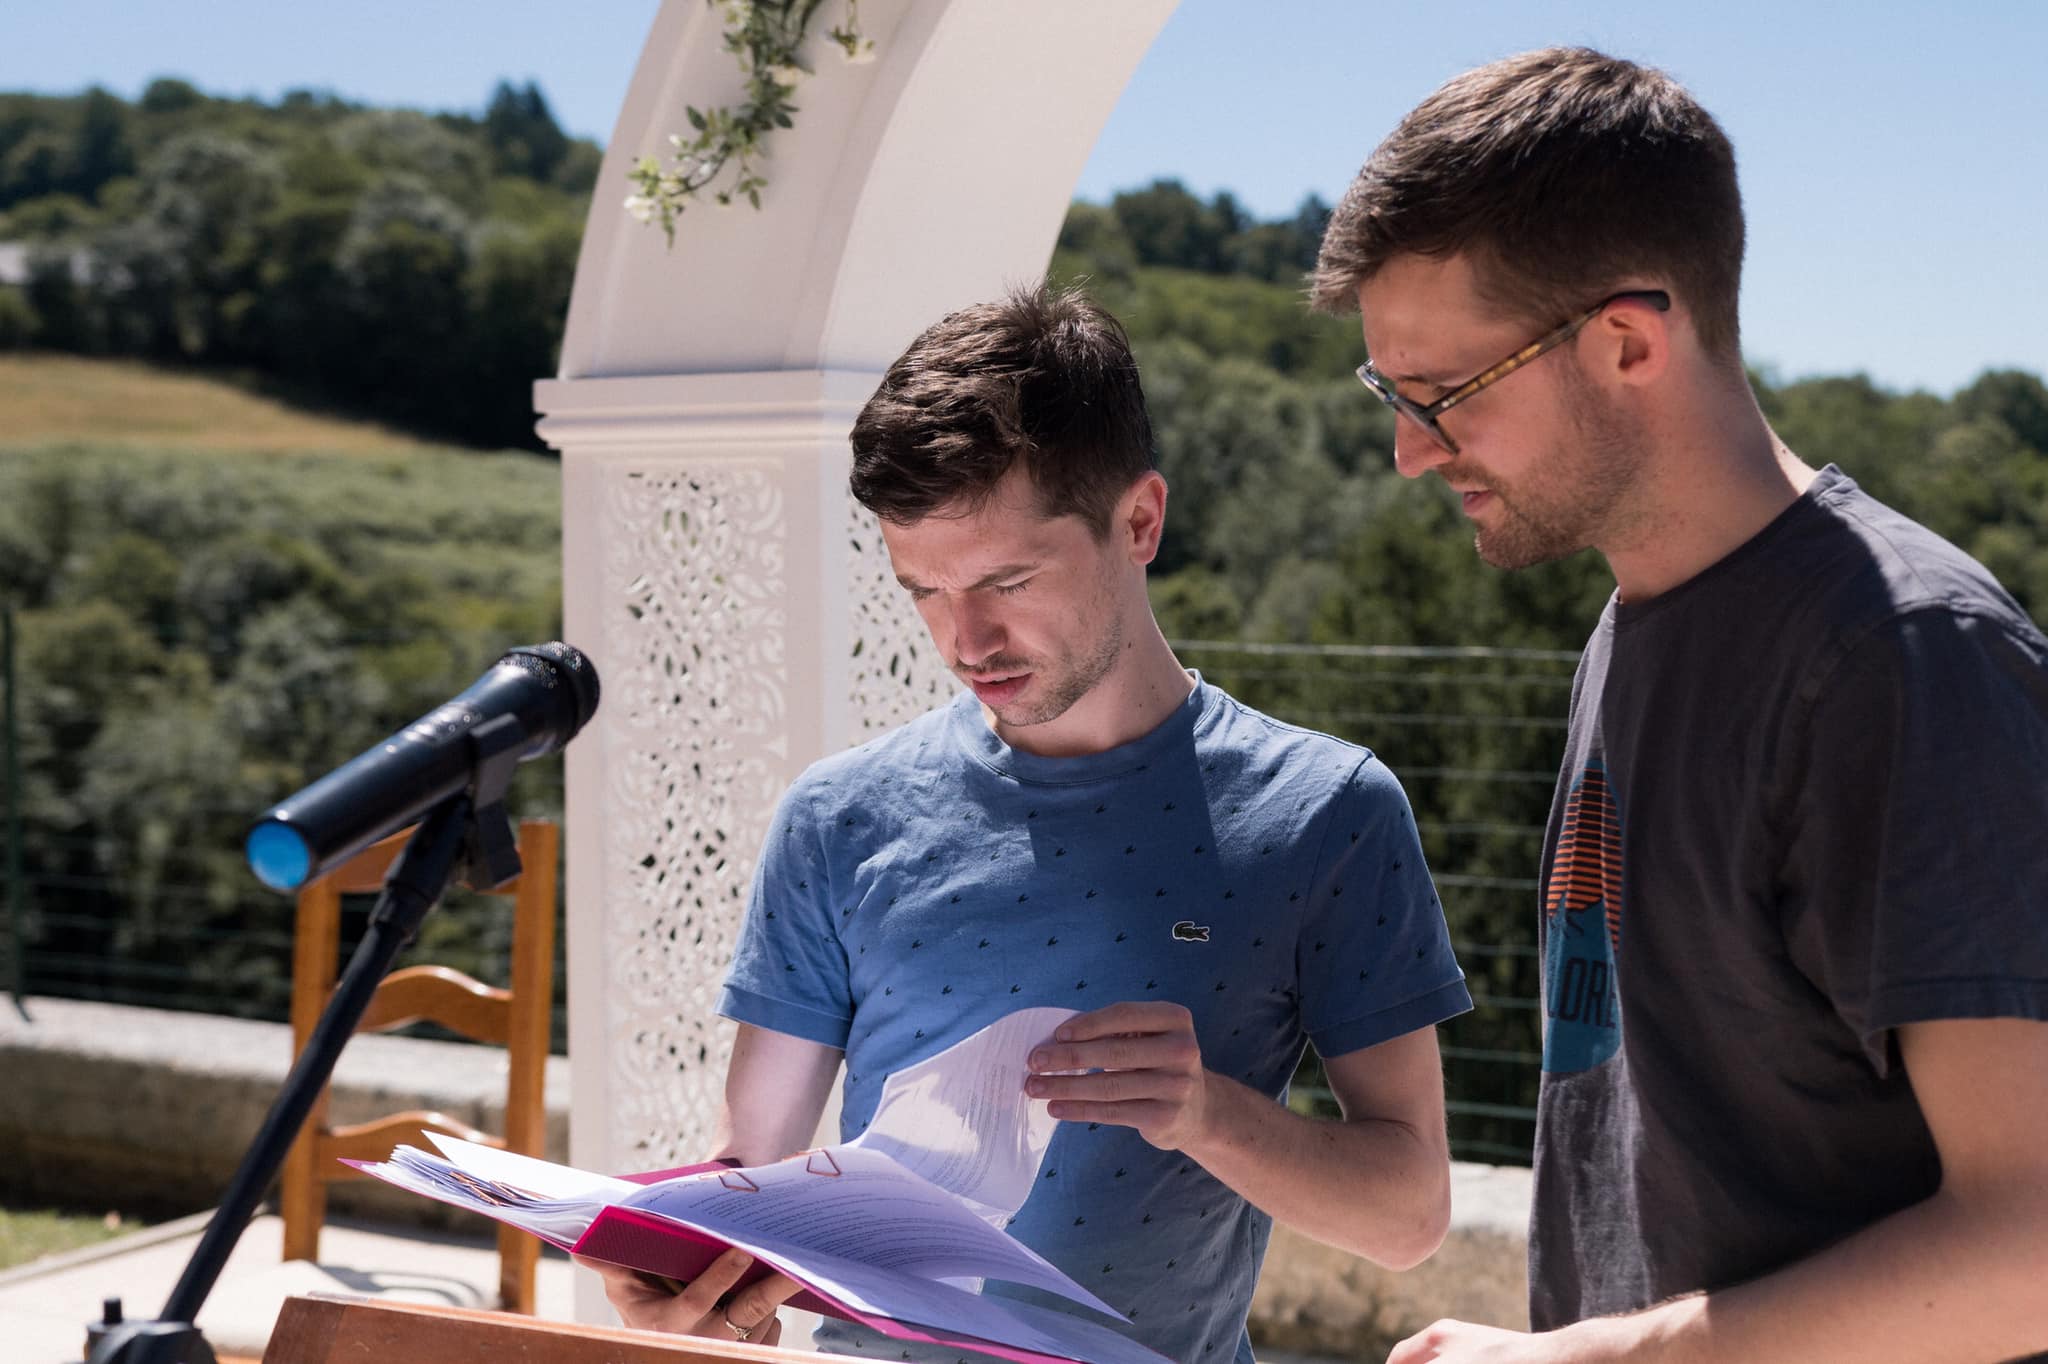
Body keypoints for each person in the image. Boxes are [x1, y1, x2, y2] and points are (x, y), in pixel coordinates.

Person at [1309, 45, 2048, 1364]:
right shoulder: (1632, 626)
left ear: (1628, 341)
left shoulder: (1905, 655)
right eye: (1389, 393)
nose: (1411, 453)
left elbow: (2032, 1249)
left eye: (1438, 395)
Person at [583, 285, 1473, 1363]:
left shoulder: (1325, 811)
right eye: (923, 589)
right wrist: (691, 1285)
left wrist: (1205, 1112)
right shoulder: (837, 816)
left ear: (1138, 520)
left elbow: (1409, 1212)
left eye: (1007, 578)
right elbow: (751, 1159)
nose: (967, 638)